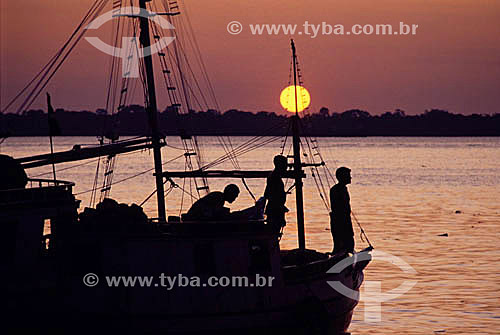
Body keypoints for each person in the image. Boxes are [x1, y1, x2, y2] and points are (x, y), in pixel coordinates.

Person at [330, 167, 355, 254]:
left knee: (348, 244)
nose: (350, 177)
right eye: (348, 176)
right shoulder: (336, 190)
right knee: (342, 245)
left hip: (344, 220)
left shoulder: (342, 189)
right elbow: (338, 208)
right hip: (340, 221)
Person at [264, 155, 289, 232]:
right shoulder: (275, 178)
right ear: (279, 165)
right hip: (275, 211)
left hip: (273, 210)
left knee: (273, 233)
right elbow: (272, 197)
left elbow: (267, 194)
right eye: (285, 165)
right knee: (273, 233)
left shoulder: (273, 176)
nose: (286, 167)